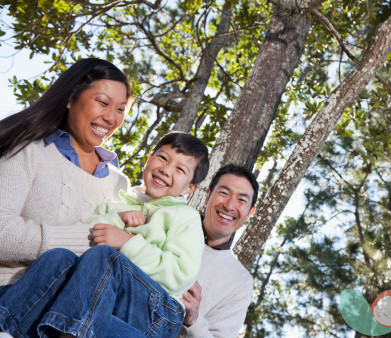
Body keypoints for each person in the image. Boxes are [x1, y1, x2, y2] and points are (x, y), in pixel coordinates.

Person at [0, 132, 210, 337]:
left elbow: (179, 274)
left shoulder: (185, 217)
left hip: (158, 311)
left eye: (180, 169)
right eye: (162, 158)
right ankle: (6, 325)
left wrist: (128, 242)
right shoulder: (118, 203)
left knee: (105, 258)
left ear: (191, 187)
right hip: (107, 295)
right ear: (149, 159)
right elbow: (89, 235)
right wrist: (119, 219)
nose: (166, 170)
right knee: (59, 257)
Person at [0, 58, 132, 286]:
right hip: (12, 293)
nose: (112, 118)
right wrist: (89, 238)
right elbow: (3, 234)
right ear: (71, 98)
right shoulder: (28, 152)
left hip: (78, 307)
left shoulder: (118, 183)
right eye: (102, 102)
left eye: (120, 109)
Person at [179, 164, 258, 337]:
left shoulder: (240, 282)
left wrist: (193, 320)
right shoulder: (174, 222)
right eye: (224, 193)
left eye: (241, 200)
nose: (229, 205)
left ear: (250, 212)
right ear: (208, 196)